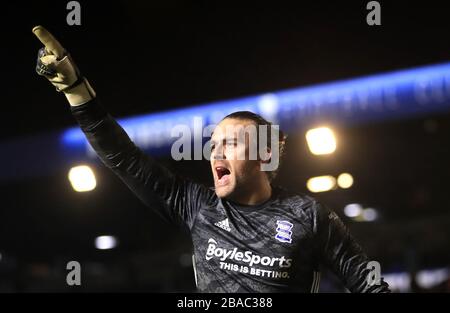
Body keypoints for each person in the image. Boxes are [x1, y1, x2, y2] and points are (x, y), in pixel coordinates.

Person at [32, 25, 390, 293]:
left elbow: (370, 286)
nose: (215, 152)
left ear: (265, 153)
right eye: (213, 144)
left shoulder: (309, 217)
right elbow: (123, 158)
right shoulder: (196, 206)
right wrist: (76, 90)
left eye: (230, 143)